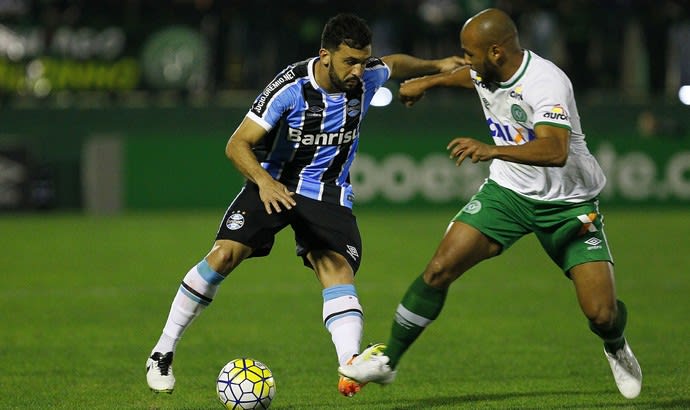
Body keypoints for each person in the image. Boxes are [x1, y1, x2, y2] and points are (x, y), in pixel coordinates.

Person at [145, 13, 464, 397]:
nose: (359, 71)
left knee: (334, 267)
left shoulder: (365, 77)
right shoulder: (291, 87)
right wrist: (263, 182)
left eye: (364, 61)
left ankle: (350, 364)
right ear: (325, 55)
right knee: (223, 256)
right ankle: (162, 350)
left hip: (328, 192)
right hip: (275, 181)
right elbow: (236, 144)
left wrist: (436, 65)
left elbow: (394, 64)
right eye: (350, 61)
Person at [338, 8, 643, 400]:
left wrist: (491, 149)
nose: (465, 59)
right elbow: (472, 77)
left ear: (497, 51)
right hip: (508, 195)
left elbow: (556, 150)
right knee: (439, 268)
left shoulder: (545, 83)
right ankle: (387, 361)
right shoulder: (489, 69)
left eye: (470, 52)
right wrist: (429, 81)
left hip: (567, 203)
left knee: (601, 314)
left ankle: (616, 344)